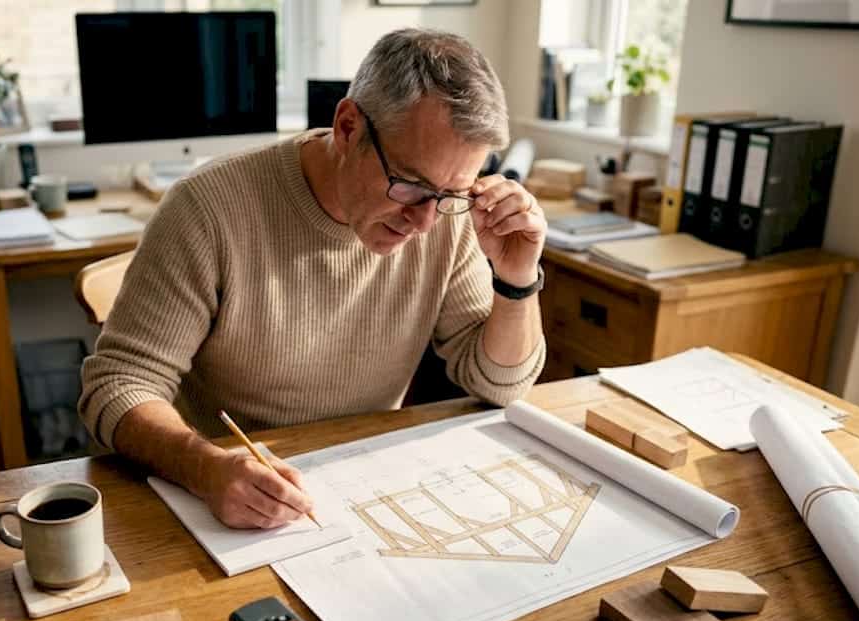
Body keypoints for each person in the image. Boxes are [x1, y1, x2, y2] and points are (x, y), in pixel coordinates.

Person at [79, 28, 547, 530]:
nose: (425, 223)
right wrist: (204, 468)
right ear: (347, 127)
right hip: (218, 497)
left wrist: (517, 279)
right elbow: (118, 384)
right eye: (410, 185)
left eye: (450, 195)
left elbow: (500, 386)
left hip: (359, 486)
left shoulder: (447, 220)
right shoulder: (208, 208)